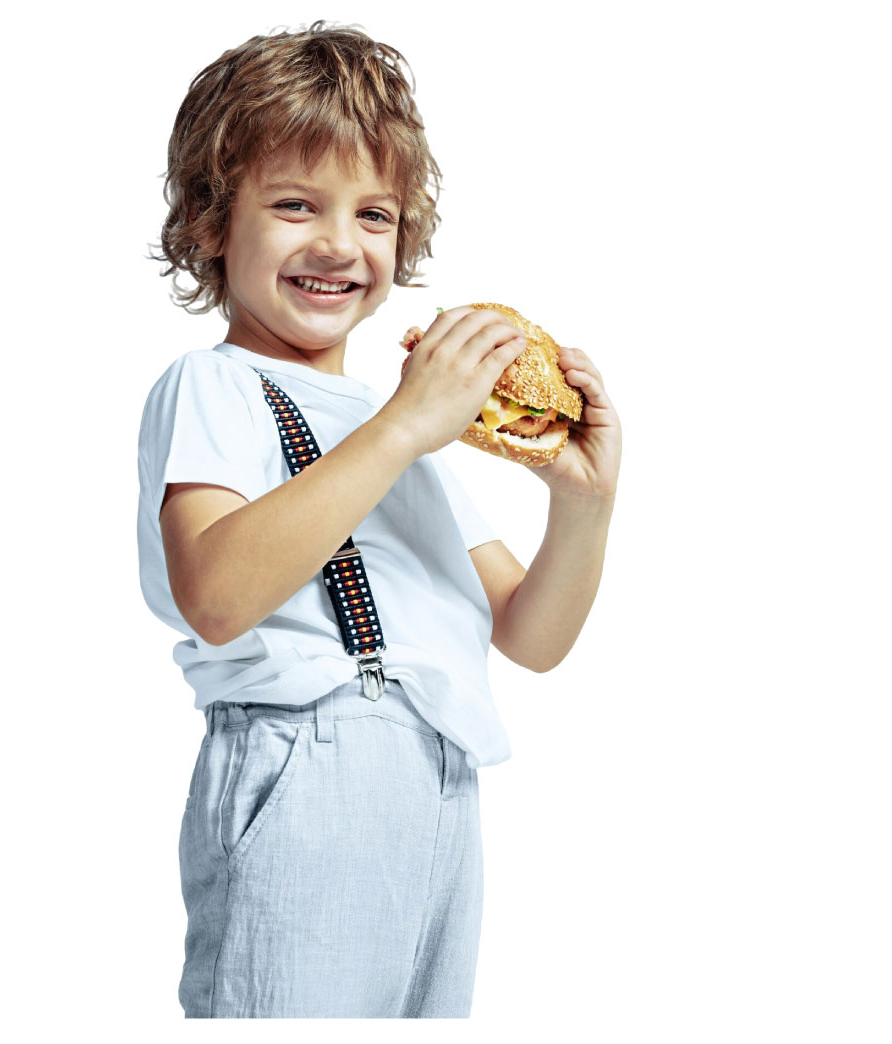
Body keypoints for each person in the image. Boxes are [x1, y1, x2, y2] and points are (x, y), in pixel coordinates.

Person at [136, 20, 621, 1019]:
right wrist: (405, 426)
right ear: (211, 225)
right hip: (303, 770)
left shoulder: (395, 424)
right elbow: (217, 598)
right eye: (295, 205)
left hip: (440, 790)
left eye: (375, 215)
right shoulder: (216, 388)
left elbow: (529, 637)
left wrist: (583, 504)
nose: (338, 244)